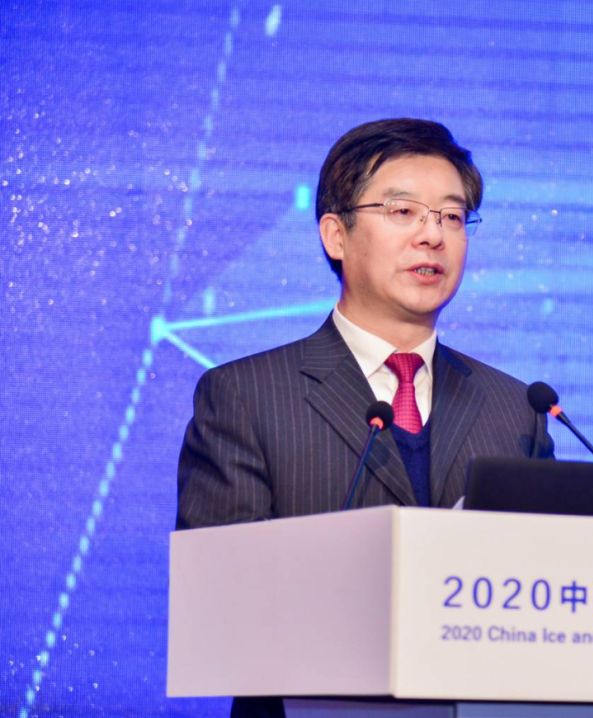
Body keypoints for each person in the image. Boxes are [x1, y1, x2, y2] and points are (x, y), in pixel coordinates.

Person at [176, 118, 554, 717]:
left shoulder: (516, 409)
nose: (432, 236)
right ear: (336, 235)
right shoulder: (245, 396)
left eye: (452, 217)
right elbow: (221, 605)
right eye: (403, 212)